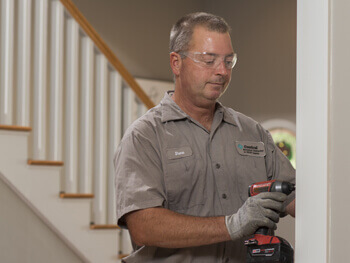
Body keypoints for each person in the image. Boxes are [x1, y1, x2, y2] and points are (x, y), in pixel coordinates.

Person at [114, 12, 295, 263]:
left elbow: (296, 198)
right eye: (209, 60)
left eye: (228, 61)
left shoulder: (253, 132)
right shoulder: (145, 136)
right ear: (176, 62)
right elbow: (144, 226)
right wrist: (233, 224)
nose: (222, 71)